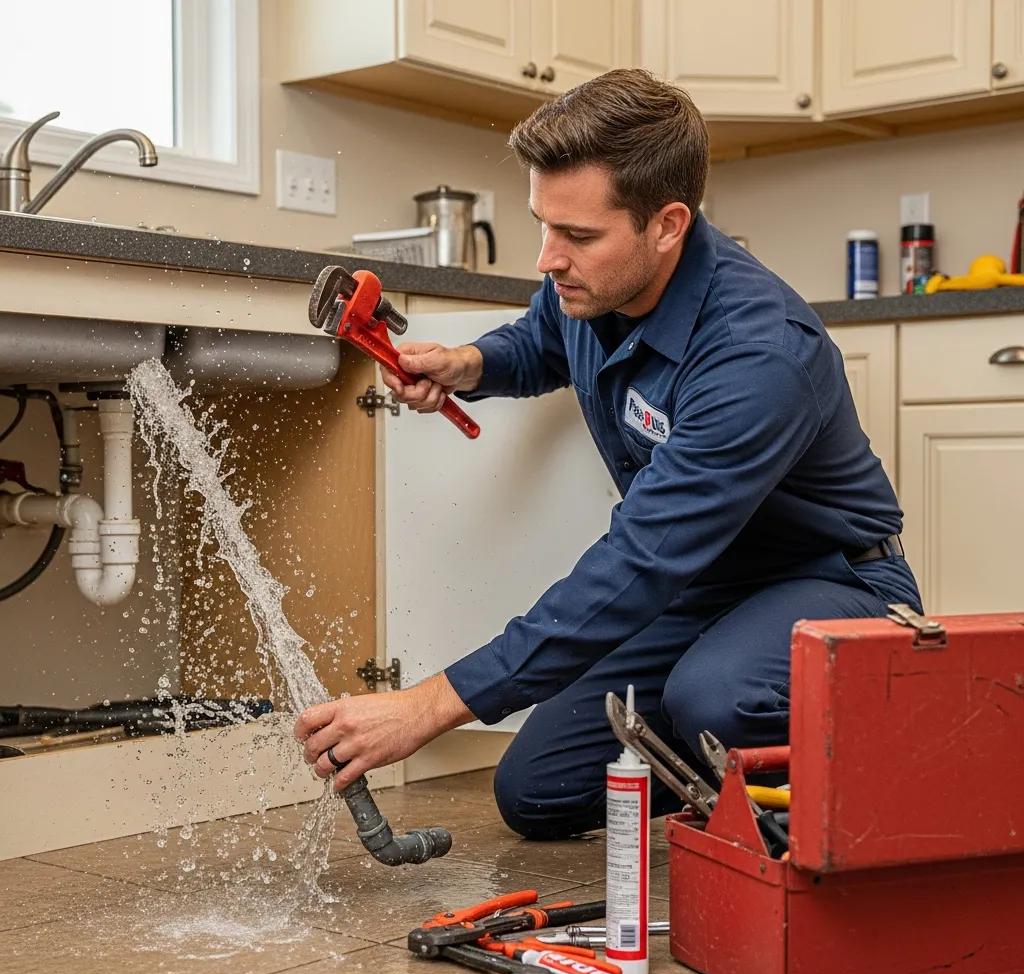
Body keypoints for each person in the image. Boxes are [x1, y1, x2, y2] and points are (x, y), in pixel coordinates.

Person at [295, 68, 922, 838]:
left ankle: (868, 767)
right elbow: (541, 340)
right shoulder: (596, 286)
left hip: (830, 584)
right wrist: (470, 365)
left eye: (579, 236)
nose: (547, 258)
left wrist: (428, 706)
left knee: (716, 697)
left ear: (667, 224)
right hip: (702, 588)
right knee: (537, 791)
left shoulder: (757, 355)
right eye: (543, 225)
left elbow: (640, 562)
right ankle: (732, 776)